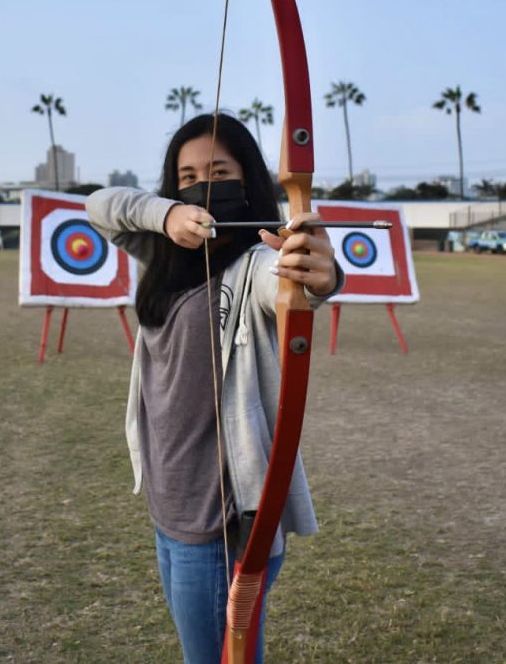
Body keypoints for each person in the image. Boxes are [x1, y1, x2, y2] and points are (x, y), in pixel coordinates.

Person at [86, 113, 343, 663]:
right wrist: (169, 215)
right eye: (186, 177)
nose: (202, 185)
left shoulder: (253, 264)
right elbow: (99, 206)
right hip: (169, 506)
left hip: (222, 524)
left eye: (218, 171)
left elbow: (291, 284)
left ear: (247, 180)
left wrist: (322, 276)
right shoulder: (163, 255)